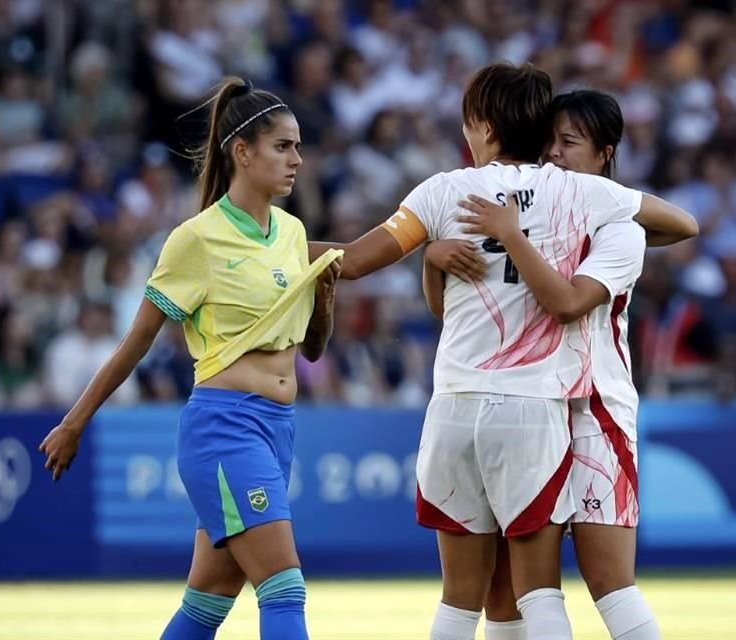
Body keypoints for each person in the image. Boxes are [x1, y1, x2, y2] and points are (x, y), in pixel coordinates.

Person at [310, 64, 696, 640]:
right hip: (533, 407)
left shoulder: (442, 190)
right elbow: (679, 223)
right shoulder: (584, 192)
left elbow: (355, 262)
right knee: (537, 592)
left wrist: (262, 244)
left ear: (482, 124)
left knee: (462, 600)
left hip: (454, 405)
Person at [38, 77, 343, 640]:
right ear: (242, 152)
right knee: (283, 587)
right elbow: (137, 341)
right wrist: (74, 422)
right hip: (226, 429)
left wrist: (323, 302)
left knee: (207, 603)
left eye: (299, 146)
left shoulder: (293, 233)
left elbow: (314, 349)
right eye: (284, 146)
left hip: (279, 430)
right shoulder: (195, 239)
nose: (298, 159)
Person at [424, 90, 663, 640]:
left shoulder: (619, 227)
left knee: (609, 582)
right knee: (507, 590)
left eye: (569, 143)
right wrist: (433, 255)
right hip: (534, 402)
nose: (553, 155)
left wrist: (505, 233)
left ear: (606, 154)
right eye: (547, 142)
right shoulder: (539, 220)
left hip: (596, 407)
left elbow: (571, 300)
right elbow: (454, 307)